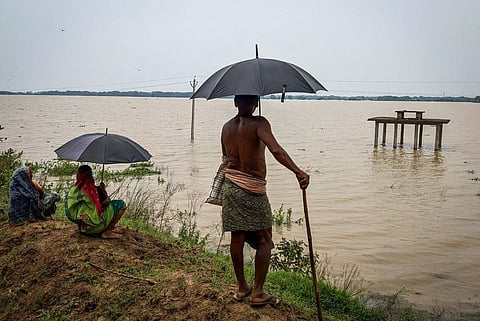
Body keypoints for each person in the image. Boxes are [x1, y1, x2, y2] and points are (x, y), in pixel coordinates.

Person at [221, 95, 310, 306]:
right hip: (252, 188)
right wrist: (298, 172)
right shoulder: (260, 123)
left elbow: (226, 157)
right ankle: (258, 292)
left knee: (237, 237)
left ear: (235, 103)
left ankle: (242, 287)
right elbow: (276, 150)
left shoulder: (226, 127)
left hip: (231, 186)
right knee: (264, 239)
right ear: (254, 103)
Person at [65, 165, 128, 239]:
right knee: (121, 205)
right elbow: (107, 202)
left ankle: (110, 228)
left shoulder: (73, 191)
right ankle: (108, 231)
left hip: (83, 228)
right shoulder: (95, 190)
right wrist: (103, 190)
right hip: (95, 227)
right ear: (90, 175)